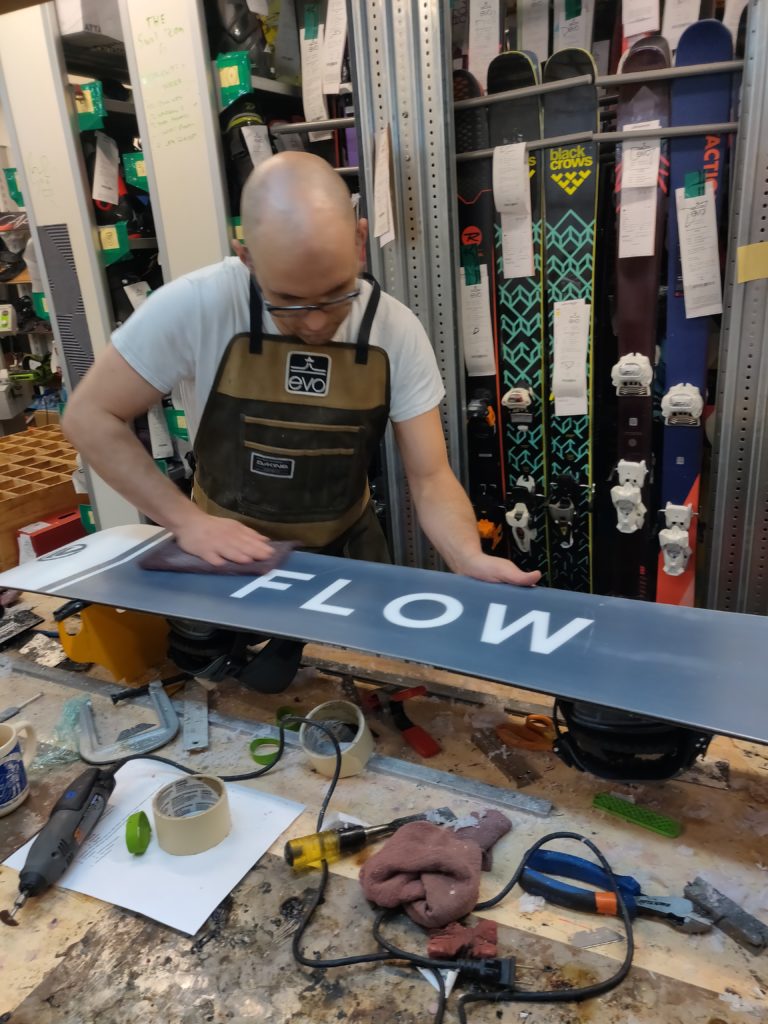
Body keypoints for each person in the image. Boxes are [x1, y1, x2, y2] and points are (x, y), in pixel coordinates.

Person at [63, 153, 540, 687]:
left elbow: (429, 476)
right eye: (287, 300)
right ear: (246, 258)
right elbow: (89, 417)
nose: (314, 322)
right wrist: (186, 523)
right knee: (225, 688)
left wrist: (465, 556)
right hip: (224, 556)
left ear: (360, 242)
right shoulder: (194, 306)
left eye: (336, 293)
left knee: (365, 683)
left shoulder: (395, 330)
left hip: (343, 551)